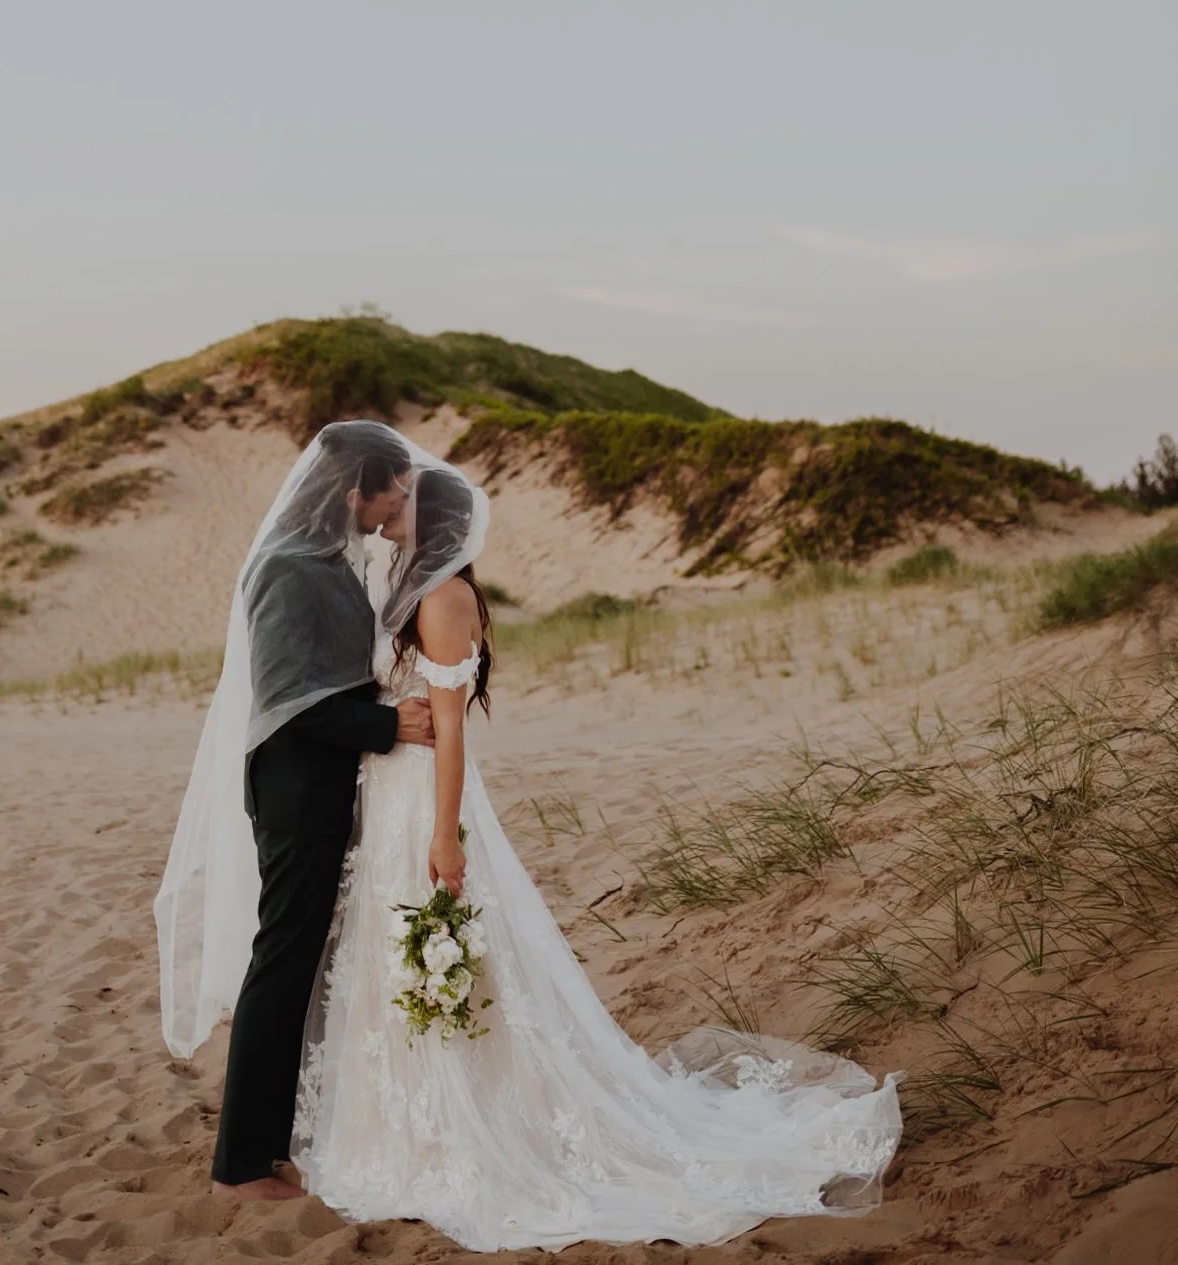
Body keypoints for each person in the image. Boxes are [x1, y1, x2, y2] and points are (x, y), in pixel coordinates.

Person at [291, 444, 904, 1253]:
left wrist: (443, 835)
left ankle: (466, 1125)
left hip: (424, 800)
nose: (389, 513)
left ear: (428, 521)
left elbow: (448, 735)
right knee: (401, 957)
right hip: (392, 795)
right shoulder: (403, 586)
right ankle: (412, 1119)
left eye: (403, 504)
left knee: (443, 949)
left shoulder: (440, 597)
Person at [153, 419, 437, 1202]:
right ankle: (239, 1165)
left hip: (324, 784)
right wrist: (386, 725)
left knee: (305, 964)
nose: (401, 500)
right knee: (279, 966)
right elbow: (284, 698)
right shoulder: (286, 564)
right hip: (295, 793)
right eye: (396, 487)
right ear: (356, 492)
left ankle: (283, 1137)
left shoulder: (330, 557)